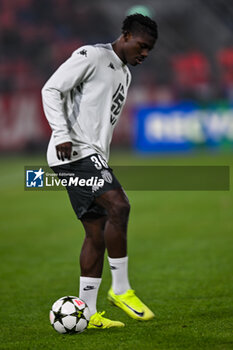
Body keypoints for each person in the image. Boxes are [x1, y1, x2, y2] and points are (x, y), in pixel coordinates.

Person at [42, 13, 158, 329]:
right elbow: (51, 89)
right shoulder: (92, 55)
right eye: (143, 46)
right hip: (74, 152)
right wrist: (62, 133)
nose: (145, 54)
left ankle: (89, 313)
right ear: (126, 36)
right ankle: (121, 289)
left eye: (149, 50)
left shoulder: (125, 73)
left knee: (97, 232)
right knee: (119, 205)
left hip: (91, 156)